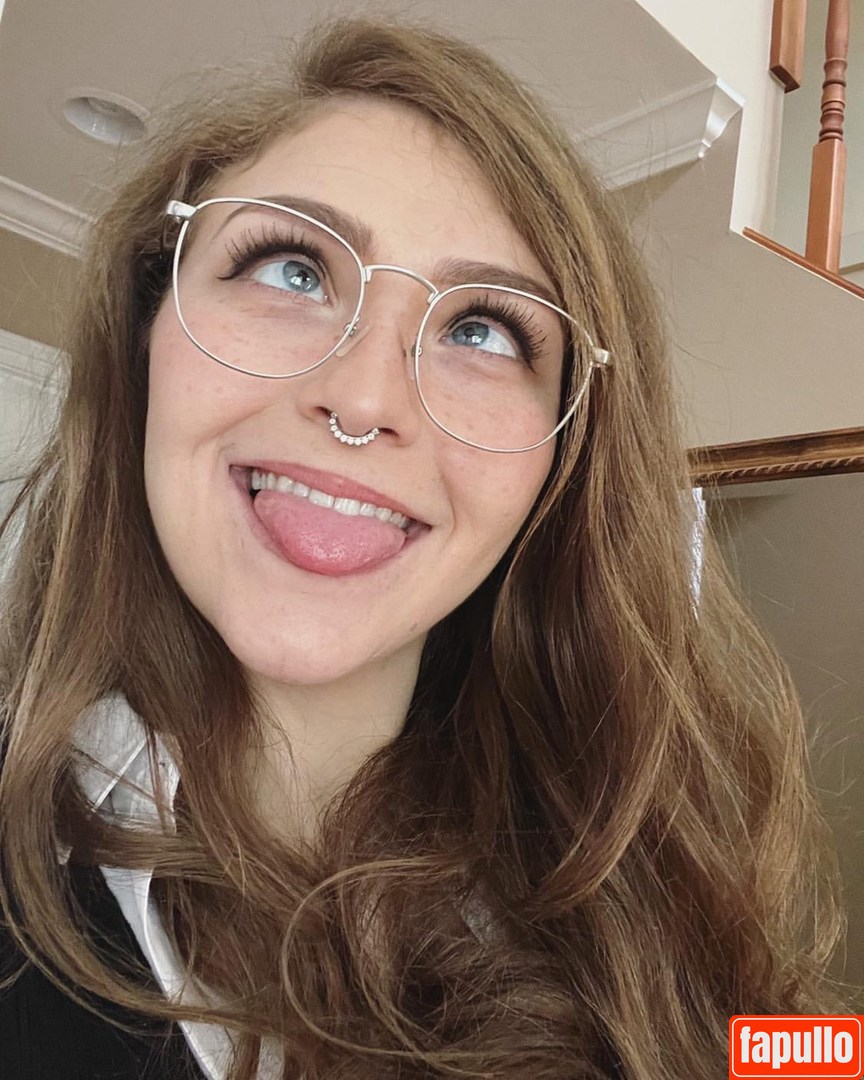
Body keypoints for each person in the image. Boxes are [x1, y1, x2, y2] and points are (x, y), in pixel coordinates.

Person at [0, 17, 847, 1080]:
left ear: (560, 461)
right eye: (291, 269)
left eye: (481, 330)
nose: (363, 400)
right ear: (146, 335)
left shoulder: (657, 893)